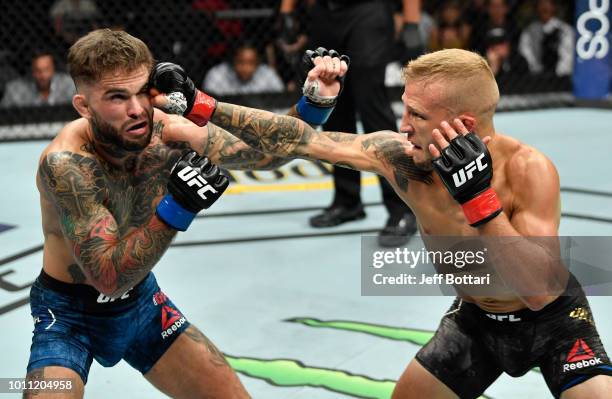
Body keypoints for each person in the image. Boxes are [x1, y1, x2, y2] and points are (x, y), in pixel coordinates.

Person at [153, 48, 612, 398]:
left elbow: (539, 289)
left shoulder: (529, 170)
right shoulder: (400, 158)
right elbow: (304, 141)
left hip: (553, 323)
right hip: (477, 318)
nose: (402, 124)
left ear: (463, 123)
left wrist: (479, 201)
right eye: (404, 108)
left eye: (417, 115)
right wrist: (202, 105)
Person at [26, 29, 346, 398]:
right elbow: (109, 279)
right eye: (117, 97)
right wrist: (177, 207)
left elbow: (263, 155)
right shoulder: (67, 164)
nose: (136, 109)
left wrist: (313, 103)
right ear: (84, 106)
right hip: (67, 317)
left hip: (143, 305)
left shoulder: (165, 129)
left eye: (141, 92)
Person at [278, 0, 421, 247]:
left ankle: (402, 208)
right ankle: (347, 201)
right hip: (326, 13)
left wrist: (411, 21)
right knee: (331, 100)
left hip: (369, 11)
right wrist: (287, 10)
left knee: (372, 107)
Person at [202, 41, 285, 96]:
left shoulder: (267, 74)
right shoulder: (216, 75)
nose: (245, 68)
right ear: (232, 60)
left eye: (251, 63)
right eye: (240, 62)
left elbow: (282, 102)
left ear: (258, 62)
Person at [518, 0, 574, 79]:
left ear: (554, 7)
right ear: (537, 7)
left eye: (548, 3)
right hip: (535, 77)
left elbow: (567, 58)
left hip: (561, 78)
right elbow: (525, 53)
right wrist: (538, 71)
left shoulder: (566, 30)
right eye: (541, 4)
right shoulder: (529, 31)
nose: (544, 7)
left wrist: (557, 74)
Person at [1, 50, 75, 107]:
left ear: (53, 69)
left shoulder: (68, 84)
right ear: (31, 71)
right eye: (38, 71)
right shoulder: (15, 89)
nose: (43, 75)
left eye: (47, 69)